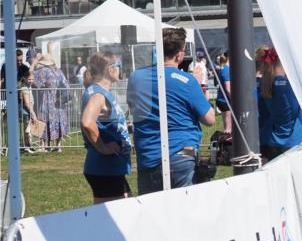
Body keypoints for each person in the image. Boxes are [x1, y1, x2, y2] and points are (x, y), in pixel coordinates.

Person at [127, 27, 215, 194]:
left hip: (147, 155)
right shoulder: (187, 81)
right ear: (180, 54)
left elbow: (133, 106)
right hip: (182, 154)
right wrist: (200, 85)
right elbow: (209, 119)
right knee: (184, 211)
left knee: (152, 213)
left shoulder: (136, 77)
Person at [80, 52, 132, 203]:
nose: (121, 70)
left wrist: (124, 127)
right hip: (104, 167)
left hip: (109, 167)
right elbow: (87, 122)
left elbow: (101, 122)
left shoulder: (98, 91)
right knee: (115, 217)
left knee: (126, 207)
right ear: (110, 70)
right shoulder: (98, 94)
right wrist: (102, 147)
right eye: (119, 66)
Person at [257, 49, 302, 160]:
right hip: (292, 141)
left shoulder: (267, 82)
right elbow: (294, 109)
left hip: (275, 139)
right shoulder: (284, 84)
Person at [31, 52, 70, 151]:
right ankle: (58, 145)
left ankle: (43, 145)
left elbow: (30, 76)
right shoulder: (58, 71)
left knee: (41, 119)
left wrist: (34, 63)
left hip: (47, 99)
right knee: (59, 120)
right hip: (59, 100)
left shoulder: (44, 71)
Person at [18, 71, 40, 154]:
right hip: (26, 111)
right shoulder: (24, 88)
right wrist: (33, 114)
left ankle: (29, 146)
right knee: (27, 130)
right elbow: (27, 103)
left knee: (29, 130)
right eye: (29, 79)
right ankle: (27, 147)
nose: (31, 81)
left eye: (32, 79)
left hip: (29, 111)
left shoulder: (29, 87)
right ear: (25, 78)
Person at [215, 52, 232, 134]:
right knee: (228, 129)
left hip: (223, 100)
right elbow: (228, 89)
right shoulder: (226, 69)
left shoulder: (225, 68)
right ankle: (226, 146)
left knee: (228, 127)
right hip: (225, 101)